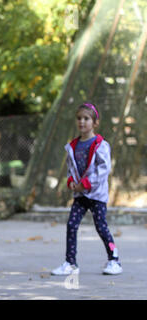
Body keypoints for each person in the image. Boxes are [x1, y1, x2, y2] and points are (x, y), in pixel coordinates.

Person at [51, 102, 122, 276]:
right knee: (72, 225)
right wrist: (71, 183)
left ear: (95, 123)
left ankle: (114, 259)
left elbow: (104, 169)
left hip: (96, 195)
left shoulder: (101, 145)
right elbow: (71, 169)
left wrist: (87, 184)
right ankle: (70, 263)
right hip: (80, 195)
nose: (82, 122)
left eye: (86, 118)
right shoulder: (73, 146)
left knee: (101, 227)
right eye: (79, 118)